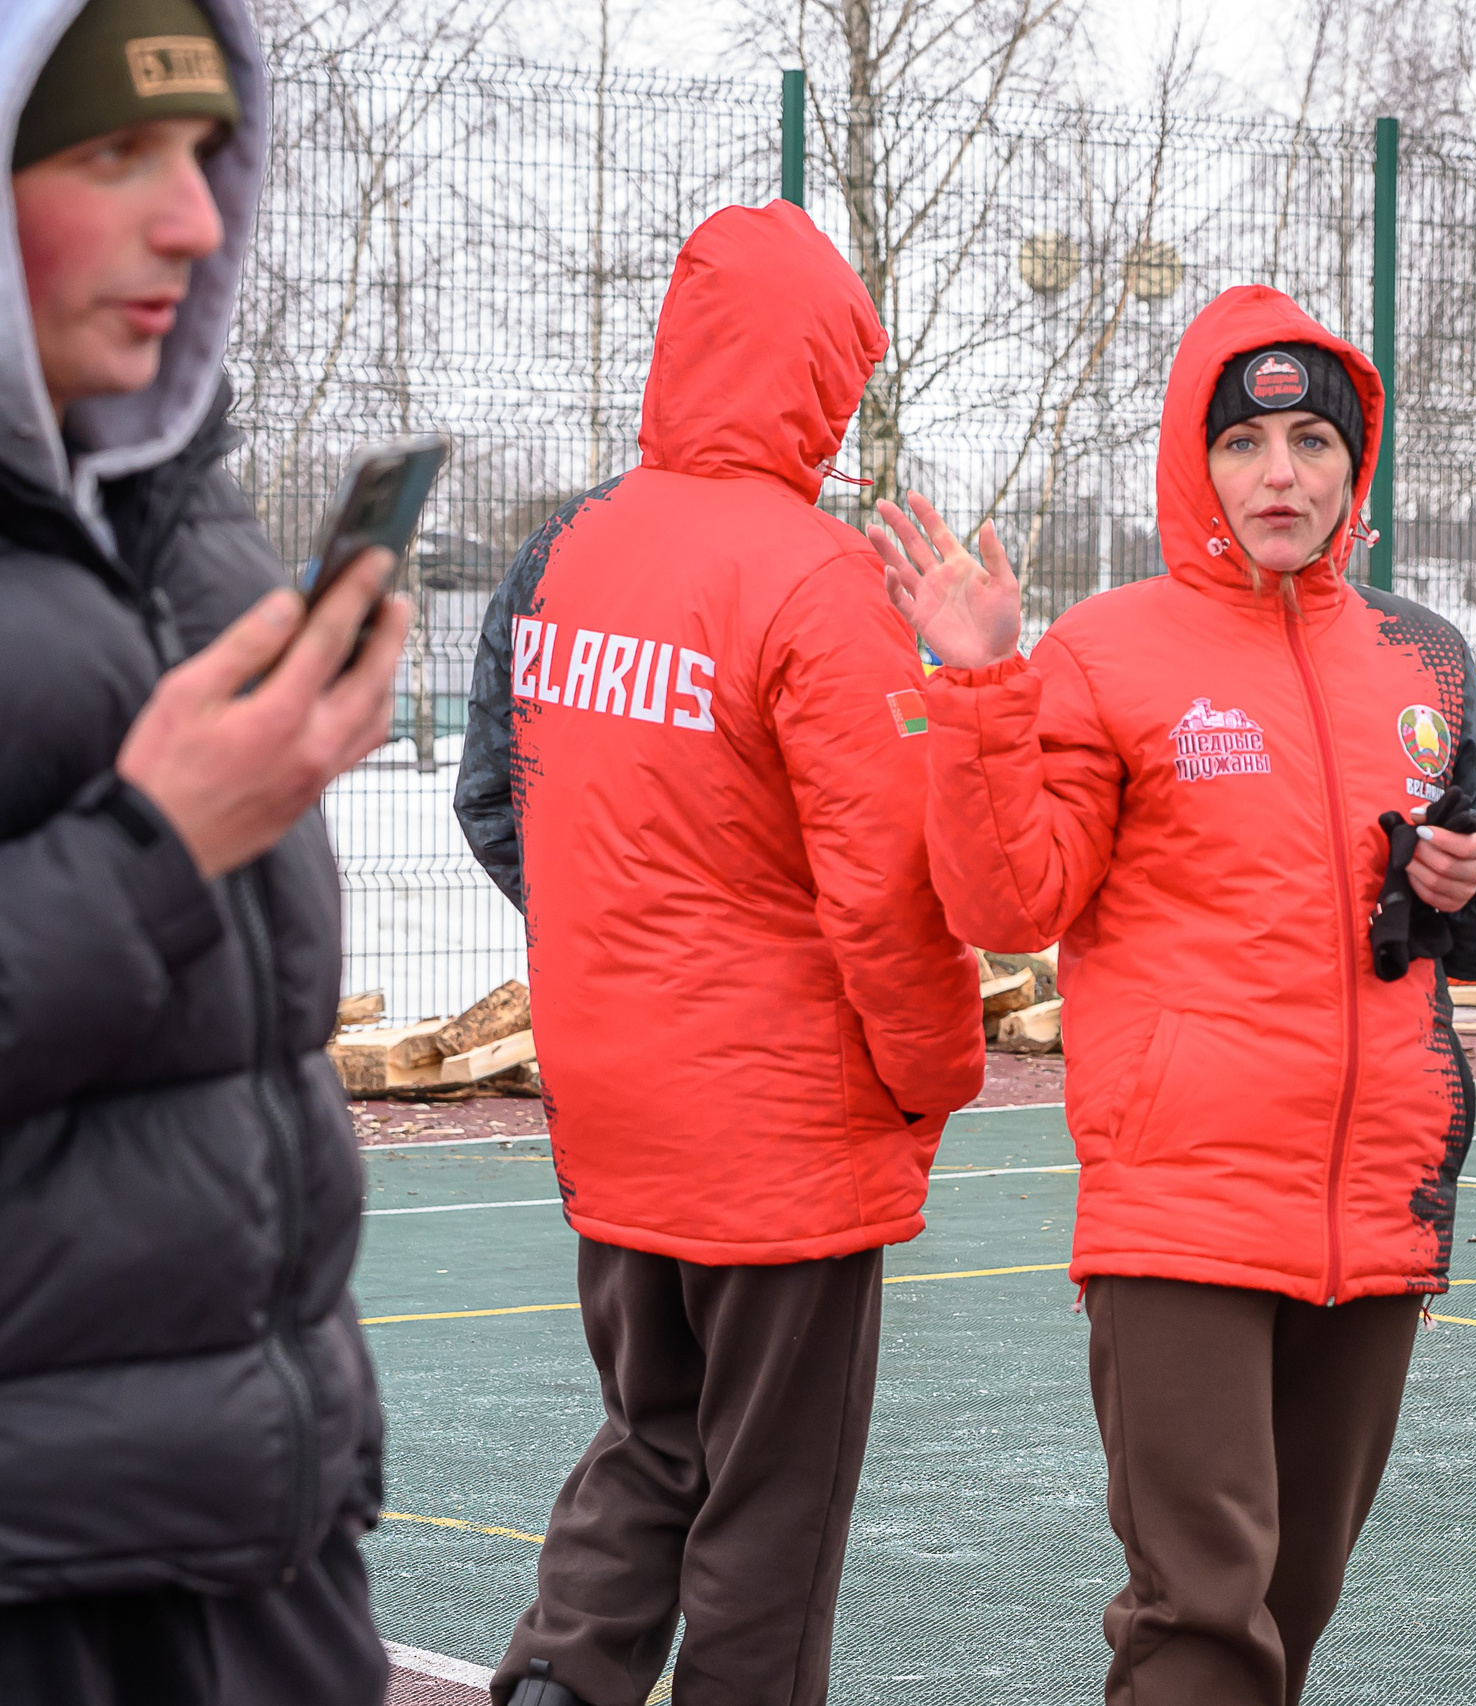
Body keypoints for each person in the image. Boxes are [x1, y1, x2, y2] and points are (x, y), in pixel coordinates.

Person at [869, 284, 1476, 1706]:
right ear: (1196, 462)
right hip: (1180, 1200)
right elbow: (1012, 902)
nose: (1278, 473)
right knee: (1204, 1611)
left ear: (1354, 466)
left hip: (1377, 1203)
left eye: (1310, 440)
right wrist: (979, 688)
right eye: (1243, 442)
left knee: (1292, 1603)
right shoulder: (1107, 649)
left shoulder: (1425, 656)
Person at [453, 202, 984, 1706]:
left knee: (652, 1436)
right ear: (818, 375)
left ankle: (557, 1683)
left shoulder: (568, 550)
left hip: (615, 1097)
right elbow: (889, 888)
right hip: (782, 1126)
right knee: (772, 1506)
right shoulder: (818, 581)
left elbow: (498, 799)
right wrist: (933, 1074)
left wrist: (618, 953)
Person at [0, 1, 409, 1700]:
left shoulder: (183, 517)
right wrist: (156, 847)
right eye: (114, 154)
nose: (191, 218)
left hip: (263, 1532)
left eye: (203, 151)